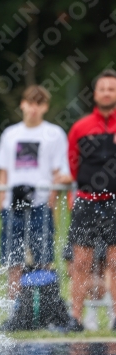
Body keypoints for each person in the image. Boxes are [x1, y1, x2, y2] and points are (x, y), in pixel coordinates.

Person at [0, 85, 70, 331]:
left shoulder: (55, 134)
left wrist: (51, 200)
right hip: (13, 206)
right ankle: (15, 312)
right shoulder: (10, 134)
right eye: (29, 102)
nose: (33, 107)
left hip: (40, 205)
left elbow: (61, 173)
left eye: (39, 103)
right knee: (13, 261)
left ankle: (44, 311)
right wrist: (1, 204)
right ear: (22, 104)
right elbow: (2, 173)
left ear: (45, 107)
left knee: (43, 259)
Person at [67, 69, 116, 332]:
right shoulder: (81, 127)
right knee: (81, 263)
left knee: (115, 263)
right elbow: (73, 163)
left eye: (112, 88)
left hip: (115, 202)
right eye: (103, 88)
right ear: (95, 94)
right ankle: (75, 318)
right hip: (86, 200)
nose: (107, 92)